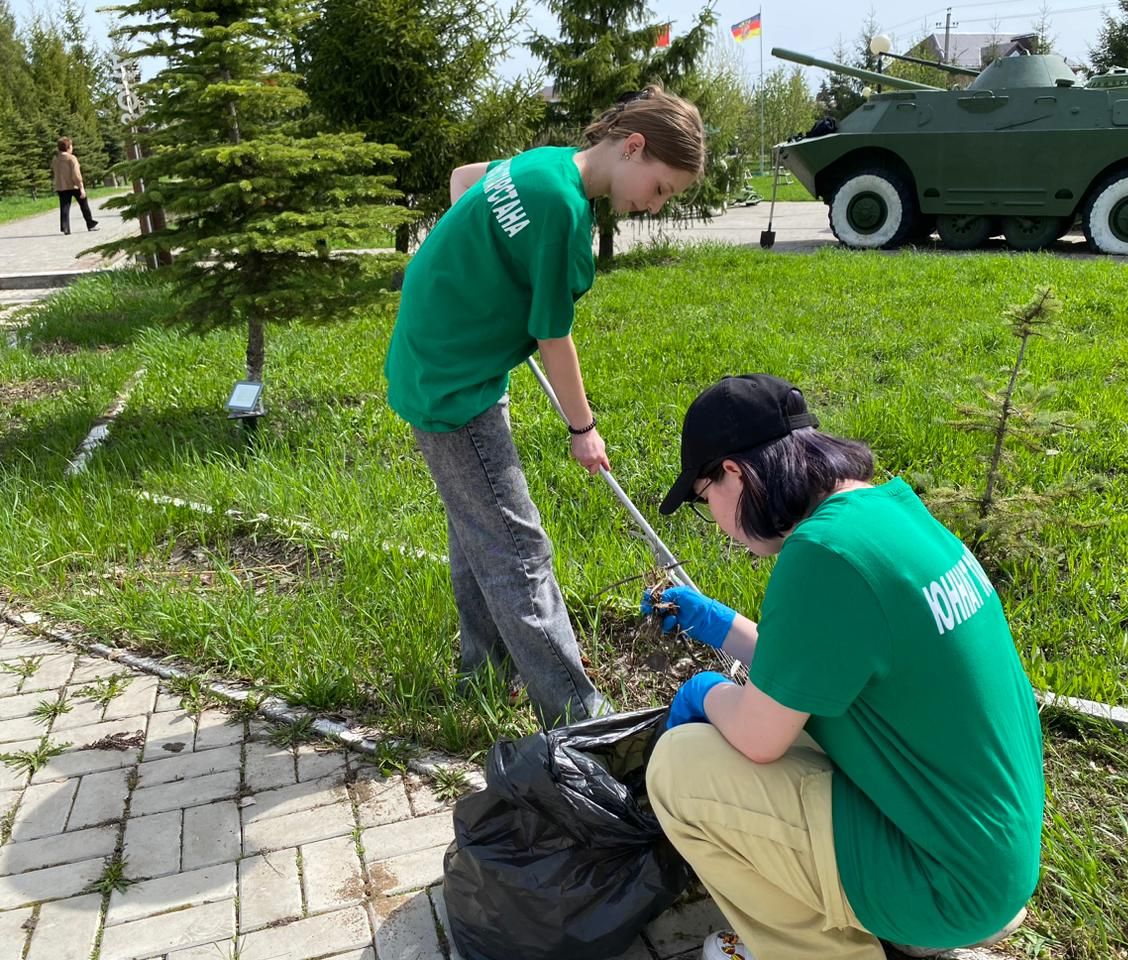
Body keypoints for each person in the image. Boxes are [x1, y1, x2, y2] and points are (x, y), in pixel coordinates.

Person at [641, 374, 1045, 960]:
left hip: (944, 885)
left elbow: (758, 738)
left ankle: (812, 949)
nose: (721, 523)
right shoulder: (891, 516)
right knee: (788, 723)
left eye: (706, 501)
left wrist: (703, 690)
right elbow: (810, 666)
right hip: (988, 858)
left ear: (734, 473)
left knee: (680, 770)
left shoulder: (823, 554)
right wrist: (719, 624)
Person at [385, 86, 704, 727]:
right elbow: (556, 338)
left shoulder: (546, 163)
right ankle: (581, 717)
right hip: (454, 383)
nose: (653, 203)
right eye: (662, 187)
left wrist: (488, 267)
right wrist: (583, 429)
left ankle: (485, 669)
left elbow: (465, 182)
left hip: (435, 356)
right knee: (518, 547)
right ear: (634, 147)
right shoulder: (561, 207)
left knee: (478, 527)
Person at [51, 137, 99, 235]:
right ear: (68, 147)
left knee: (64, 207)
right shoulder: (71, 158)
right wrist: (81, 186)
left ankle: (65, 227)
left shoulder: (56, 160)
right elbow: (76, 174)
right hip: (74, 186)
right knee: (84, 204)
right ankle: (90, 224)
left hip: (61, 187)